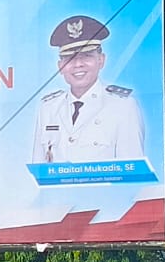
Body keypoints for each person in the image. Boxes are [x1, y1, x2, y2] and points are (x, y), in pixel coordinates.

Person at [31, 14, 146, 163]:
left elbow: (132, 172)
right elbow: (38, 172)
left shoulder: (123, 106)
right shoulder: (48, 108)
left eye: (86, 55)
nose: (78, 63)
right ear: (60, 66)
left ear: (101, 60)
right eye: (70, 57)